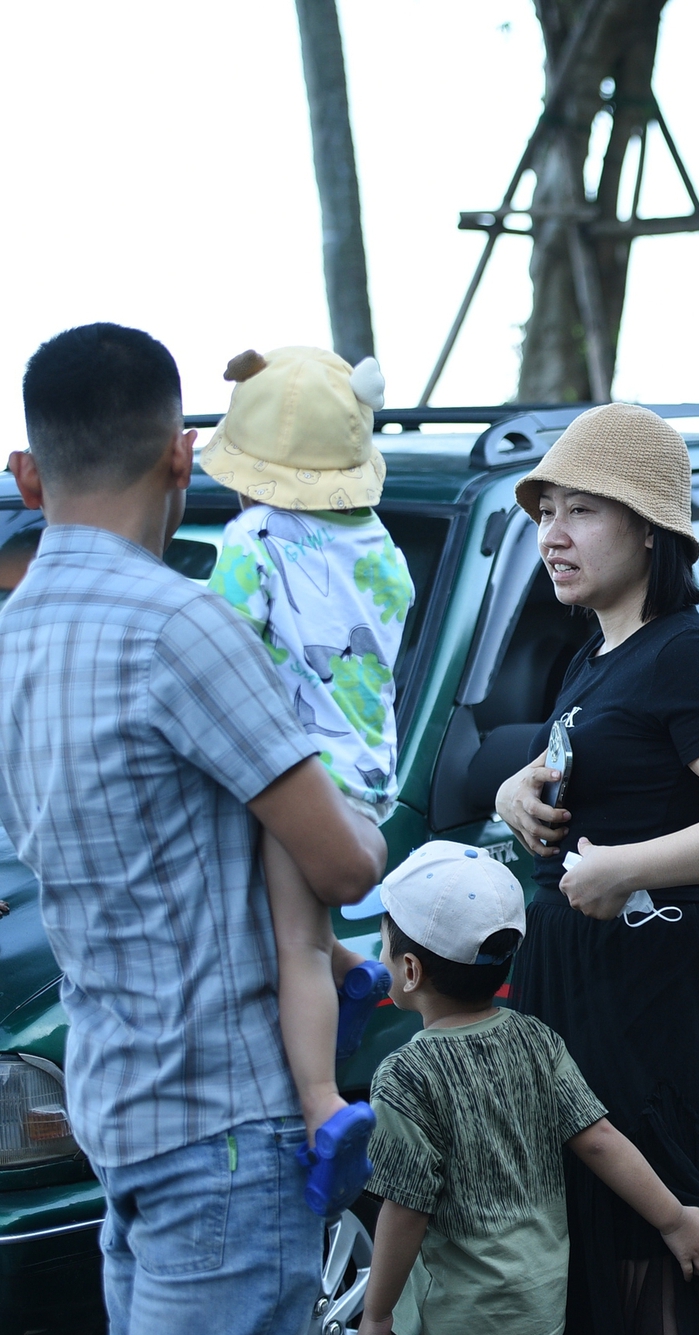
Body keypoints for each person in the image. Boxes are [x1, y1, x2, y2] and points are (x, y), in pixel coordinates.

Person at [0, 323, 386, 1333]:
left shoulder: (9, 642)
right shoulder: (180, 626)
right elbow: (341, 865)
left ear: (28, 474)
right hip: (223, 1130)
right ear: (181, 455)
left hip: (115, 1113)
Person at [493, 404, 699, 1335]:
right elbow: (596, 777)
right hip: (579, 978)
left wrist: (628, 869)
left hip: (647, 984)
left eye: (583, 510)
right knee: (602, 1236)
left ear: (650, 528)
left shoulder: (688, 652)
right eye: (547, 511)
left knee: (659, 1234)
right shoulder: (594, 655)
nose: (553, 533)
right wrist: (518, 791)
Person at [202, 345, 414, 1215]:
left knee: (291, 942)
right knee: (303, 932)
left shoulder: (252, 541)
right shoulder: (385, 548)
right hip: (365, 774)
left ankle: (323, 1104)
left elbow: (214, 649)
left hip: (296, 778)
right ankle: (357, 969)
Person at [359, 842, 699, 1335]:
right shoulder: (536, 1040)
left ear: (410, 971)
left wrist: (378, 1314)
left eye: (385, 945)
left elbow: (404, 1208)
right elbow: (600, 1140)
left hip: (459, 1312)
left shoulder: (406, 1076)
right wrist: (674, 1221)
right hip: (541, 1298)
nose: (380, 956)